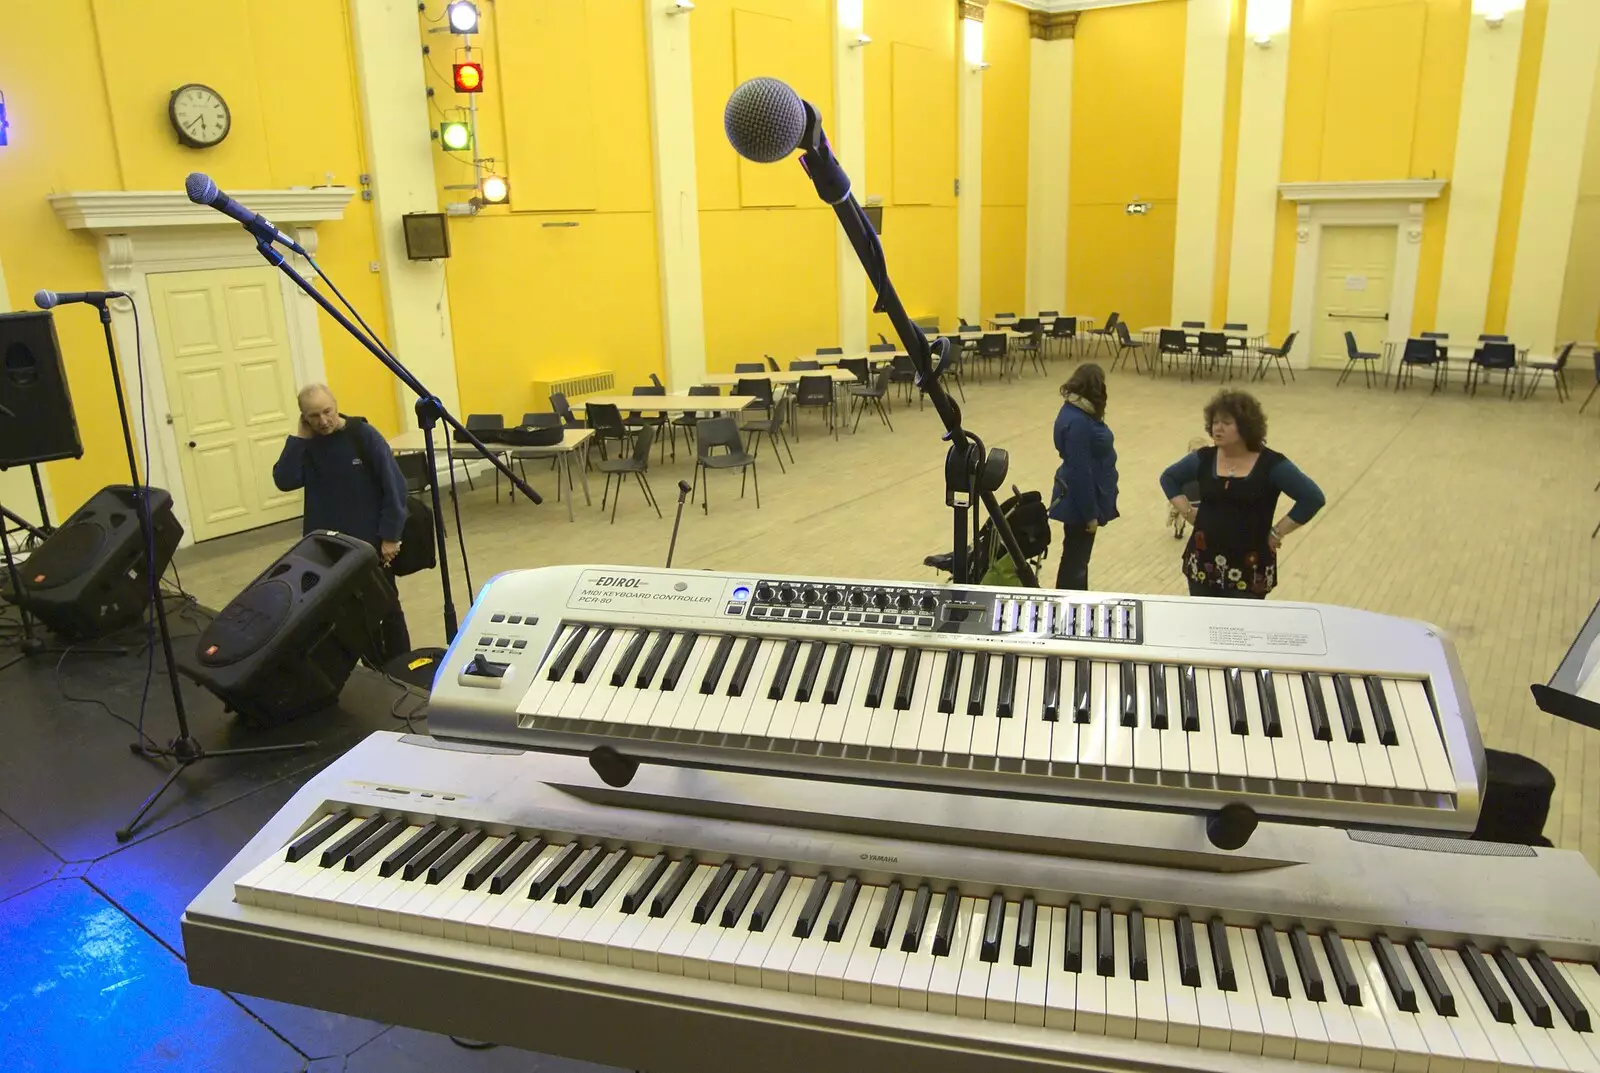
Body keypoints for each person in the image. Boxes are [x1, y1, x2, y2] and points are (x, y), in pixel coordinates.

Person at [272, 384, 411, 656]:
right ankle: (371, 666)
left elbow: (395, 486)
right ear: (303, 417)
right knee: (343, 614)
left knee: (385, 607)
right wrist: (299, 439)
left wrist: (391, 536)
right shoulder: (307, 445)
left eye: (327, 411)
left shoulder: (363, 435)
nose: (323, 421)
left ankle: (400, 666)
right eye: (313, 416)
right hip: (326, 549)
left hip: (369, 543)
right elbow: (285, 480)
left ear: (336, 405)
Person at [1160, 389, 1325, 599]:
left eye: (1226, 423)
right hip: (1203, 565)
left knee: (1241, 630)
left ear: (1246, 427)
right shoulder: (1204, 458)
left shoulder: (1272, 464)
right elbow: (1169, 478)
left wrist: (1277, 532)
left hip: (1249, 570)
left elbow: (1312, 497)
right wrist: (1187, 511)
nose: (1217, 428)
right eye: (1215, 422)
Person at [1048, 363, 1119, 590]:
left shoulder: (1076, 409)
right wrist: (1090, 515)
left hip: (1079, 497)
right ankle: (1071, 610)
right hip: (1080, 503)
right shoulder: (1078, 420)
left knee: (1075, 559)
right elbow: (1081, 472)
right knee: (1076, 562)